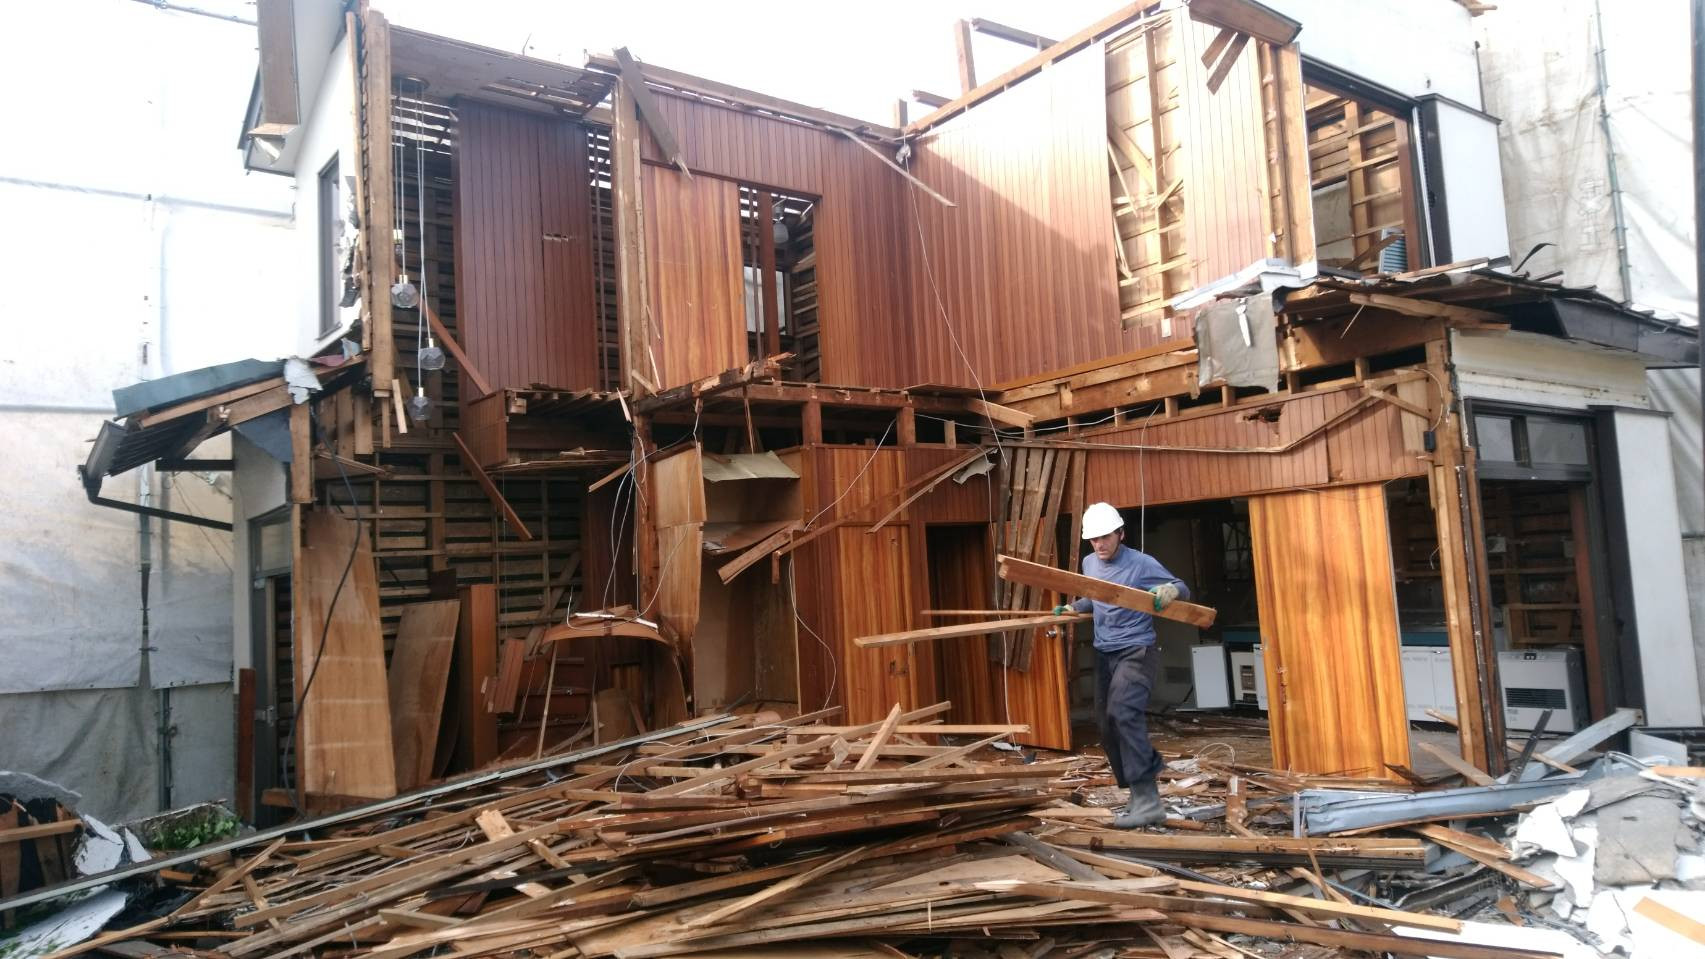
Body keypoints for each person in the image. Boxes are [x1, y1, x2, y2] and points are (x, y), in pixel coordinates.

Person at [1052, 501, 1189, 829]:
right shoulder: (1089, 562)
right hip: (1105, 653)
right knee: (1106, 724)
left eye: (1105, 537)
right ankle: (1136, 794)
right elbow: (1097, 596)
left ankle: (1149, 801)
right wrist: (1074, 608)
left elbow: (1181, 587)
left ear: (1120, 534)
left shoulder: (1141, 563)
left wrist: (1169, 590)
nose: (1099, 544)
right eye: (1094, 539)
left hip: (1136, 650)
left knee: (1123, 712)